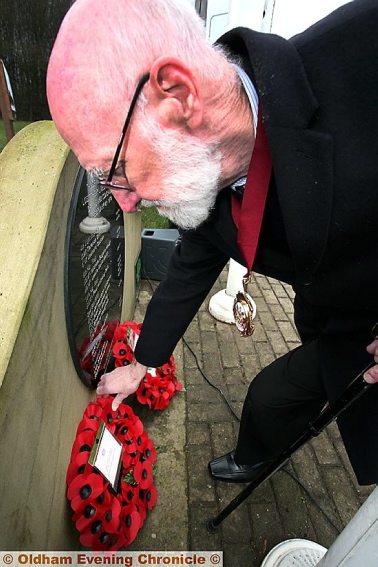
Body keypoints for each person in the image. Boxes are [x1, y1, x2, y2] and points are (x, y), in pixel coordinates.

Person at [47, 0, 378, 487]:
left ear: (177, 94)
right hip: (330, 319)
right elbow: (190, 266)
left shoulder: (364, 45)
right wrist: (143, 364)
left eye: (115, 172)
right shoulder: (204, 172)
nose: (126, 203)